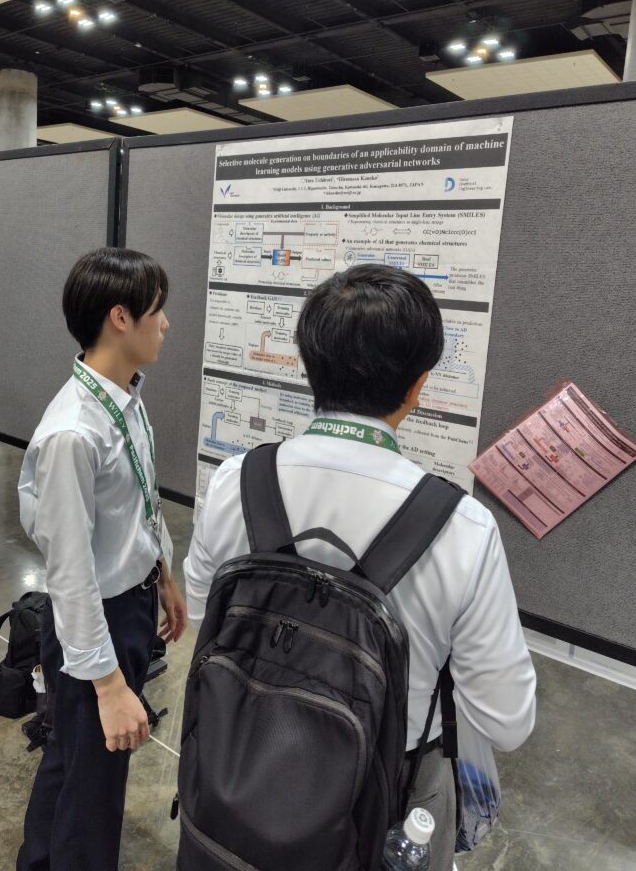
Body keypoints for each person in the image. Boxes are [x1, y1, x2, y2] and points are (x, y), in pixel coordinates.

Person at [184, 264, 536, 871]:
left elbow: (200, 615)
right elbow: (507, 723)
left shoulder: (236, 481)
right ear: (418, 385)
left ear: (308, 366)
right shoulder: (463, 527)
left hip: (233, 763)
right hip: (385, 799)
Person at [17, 248, 188, 871]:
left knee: (75, 760)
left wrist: (162, 573)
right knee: (95, 786)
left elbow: (137, 502)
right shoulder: (74, 433)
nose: (165, 322)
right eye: (157, 309)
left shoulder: (123, 396)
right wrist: (110, 686)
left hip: (130, 605)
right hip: (96, 621)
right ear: (120, 317)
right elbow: (69, 574)